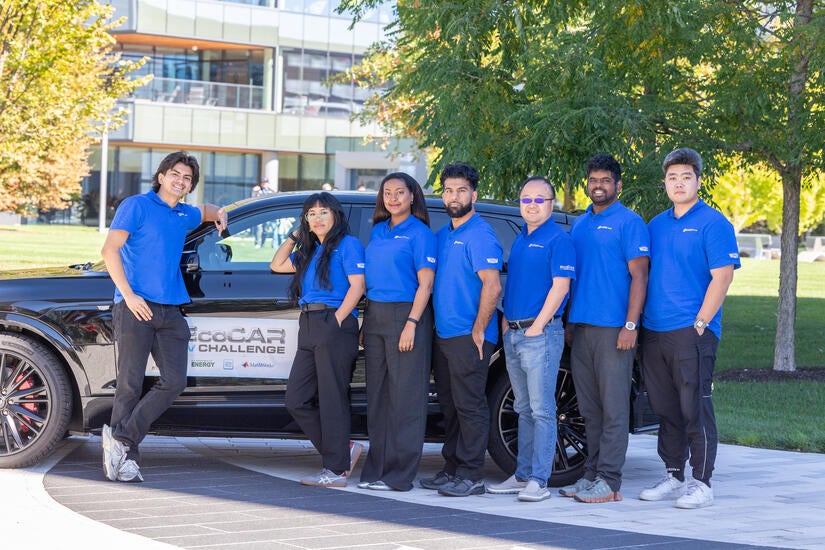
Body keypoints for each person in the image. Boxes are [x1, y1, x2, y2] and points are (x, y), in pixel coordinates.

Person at [100, 151, 227, 482]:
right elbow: (109, 250)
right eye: (175, 174)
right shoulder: (136, 206)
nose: (180, 181)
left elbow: (208, 210)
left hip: (170, 310)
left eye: (187, 178)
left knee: (175, 381)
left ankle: (121, 439)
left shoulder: (185, 213)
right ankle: (127, 460)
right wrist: (128, 296)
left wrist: (220, 213)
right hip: (134, 307)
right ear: (161, 176)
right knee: (130, 384)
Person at [639, 147, 739, 509]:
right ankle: (673, 475)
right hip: (655, 332)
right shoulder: (655, 225)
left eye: (685, 177)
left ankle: (702, 481)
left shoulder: (714, 223)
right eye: (672, 177)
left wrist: (700, 323)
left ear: (698, 180)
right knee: (665, 409)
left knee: (694, 406)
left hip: (692, 331)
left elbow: (722, 277)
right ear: (664, 183)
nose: (678, 183)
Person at [560, 154, 649, 503]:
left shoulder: (630, 223)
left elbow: (640, 276)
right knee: (589, 409)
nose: (598, 185)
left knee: (613, 409)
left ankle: (610, 482)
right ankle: (591, 474)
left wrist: (631, 324)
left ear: (618, 185)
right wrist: (570, 323)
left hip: (615, 330)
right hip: (582, 328)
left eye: (605, 180)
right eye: (593, 180)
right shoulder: (580, 224)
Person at [488, 176, 575, 502]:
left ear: (551, 204)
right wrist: (508, 321)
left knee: (541, 409)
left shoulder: (558, 239)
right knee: (523, 408)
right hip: (515, 334)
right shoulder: (522, 239)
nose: (533, 204)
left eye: (540, 199)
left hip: (541, 335)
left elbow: (560, 287)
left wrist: (537, 326)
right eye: (527, 199)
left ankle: (540, 479)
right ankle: (522, 475)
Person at [270, 192, 366, 487]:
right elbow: (277, 264)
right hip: (308, 323)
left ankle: (335, 471)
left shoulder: (348, 245)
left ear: (336, 215)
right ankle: (342, 450)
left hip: (332, 321)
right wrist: (295, 235)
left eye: (323, 212)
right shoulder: (310, 251)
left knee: (331, 398)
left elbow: (358, 286)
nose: (317, 218)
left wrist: (337, 320)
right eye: (311, 214)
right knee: (296, 399)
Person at [419, 162, 502, 497]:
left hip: (470, 337)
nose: (455, 196)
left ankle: (472, 475)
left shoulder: (480, 234)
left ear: (474, 194)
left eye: (462, 190)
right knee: (450, 406)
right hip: (444, 336)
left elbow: (493, 287)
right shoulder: (443, 235)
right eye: (449, 190)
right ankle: (452, 468)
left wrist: (480, 329)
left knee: (470, 406)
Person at [358, 173, 436, 492]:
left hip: (407, 314)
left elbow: (426, 284)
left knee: (405, 398)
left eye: (399, 192)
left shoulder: (421, 234)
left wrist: (412, 324)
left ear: (412, 196)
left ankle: (400, 475)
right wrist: (366, 322)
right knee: (377, 397)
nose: (393, 198)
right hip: (375, 315)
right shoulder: (377, 230)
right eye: (387, 193)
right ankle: (376, 469)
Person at [252, 177, 275, 247]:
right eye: (263, 183)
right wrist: (254, 191)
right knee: (259, 228)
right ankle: (257, 243)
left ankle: (263, 244)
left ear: (268, 183)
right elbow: (252, 199)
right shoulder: (258, 191)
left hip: (267, 213)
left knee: (265, 229)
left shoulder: (271, 191)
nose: (264, 184)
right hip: (259, 212)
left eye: (265, 183)